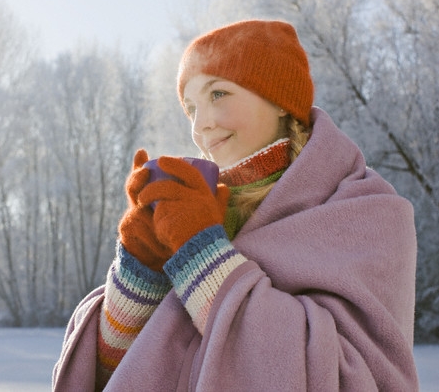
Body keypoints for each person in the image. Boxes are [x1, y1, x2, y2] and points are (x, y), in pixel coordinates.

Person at [52, 20, 419, 391]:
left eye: (218, 94)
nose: (201, 126)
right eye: (191, 107)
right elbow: (109, 373)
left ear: (278, 99)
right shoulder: (200, 208)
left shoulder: (369, 213)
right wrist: (139, 271)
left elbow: (349, 379)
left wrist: (202, 256)